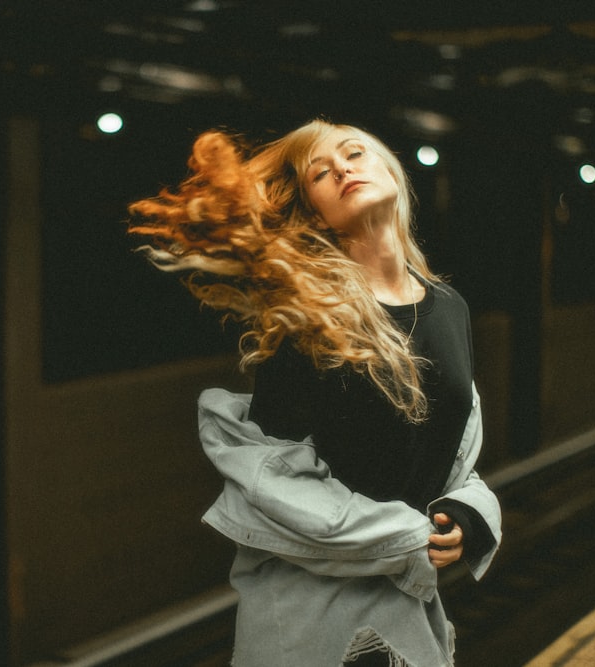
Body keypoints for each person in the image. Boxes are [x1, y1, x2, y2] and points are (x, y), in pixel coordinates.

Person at [129, 119, 502, 666]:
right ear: (312, 212)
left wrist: (466, 517)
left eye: (354, 153)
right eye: (321, 174)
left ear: (389, 166)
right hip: (313, 616)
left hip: (406, 607)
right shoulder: (307, 322)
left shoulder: (449, 308)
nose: (343, 169)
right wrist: (408, 538)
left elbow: (452, 450)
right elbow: (277, 487)